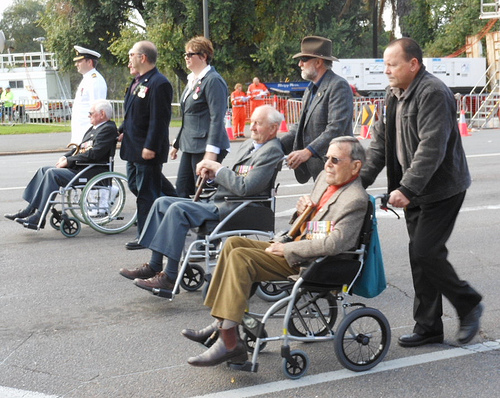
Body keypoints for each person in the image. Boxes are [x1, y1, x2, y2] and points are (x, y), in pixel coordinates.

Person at [182, 136, 368, 367]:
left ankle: (229, 340)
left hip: (312, 261)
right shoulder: (324, 179)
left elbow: (334, 244)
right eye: (327, 158)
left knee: (241, 258)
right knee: (233, 244)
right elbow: (311, 221)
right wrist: (302, 211)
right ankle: (222, 323)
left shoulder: (355, 199)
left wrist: (288, 247)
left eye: (335, 160)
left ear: (355, 166)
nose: (327, 164)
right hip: (298, 243)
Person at [360, 38, 483, 347]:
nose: (386, 70)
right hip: (414, 190)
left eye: (392, 64)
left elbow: (432, 148)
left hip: (442, 188)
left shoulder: (433, 93)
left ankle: (469, 304)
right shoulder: (393, 94)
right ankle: (428, 326)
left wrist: (407, 187)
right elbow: (379, 144)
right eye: (384, 64)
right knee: (420, 257)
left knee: (426, 251)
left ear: (413, 64)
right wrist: (357, 182)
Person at [119, 105, 285, 294]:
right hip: (223, 200)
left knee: (177, 210)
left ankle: (170, 277)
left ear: (273, 128)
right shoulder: (250, 145)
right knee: (161, 202)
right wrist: (213, 175)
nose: (252, 127)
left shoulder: (271, 151)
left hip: (238, 208)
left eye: (258, 124)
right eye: (252, 122)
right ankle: (155, 265)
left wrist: (218, 169)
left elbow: (245, 187)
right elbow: (234, 178)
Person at [4, 100, 118, 229]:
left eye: (91, 113)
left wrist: (69, 161)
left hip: (92, 171)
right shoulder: (95, 128)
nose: (88, 115)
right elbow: (80, 148)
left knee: (52, 174)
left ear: (102, 114)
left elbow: (95, 154)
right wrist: (66, 156)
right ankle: (29, 209)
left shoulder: (108, 129)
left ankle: (39, 216)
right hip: (81, 168)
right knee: (43, 170)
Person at [119, 40, 173, 250]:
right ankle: (179, 205)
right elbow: (132, 113)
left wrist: (150, 146)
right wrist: (121, 130)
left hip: (147, 149)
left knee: (146, 194)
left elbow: (159, 120)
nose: (129, 59)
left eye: (131, 54)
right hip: (133, 148)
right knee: (138, 185)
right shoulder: (138, 81)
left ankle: (146, 236)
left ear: (143, 57)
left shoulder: (159, 83)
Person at [280, 36, 354, 184]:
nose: (300, 64)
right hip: (321, 171)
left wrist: (308, 151)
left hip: (337, 168)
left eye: (304, 59)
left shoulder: (338, 86)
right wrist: (275, 146)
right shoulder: (310, 88)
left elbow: (335, 129)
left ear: (319, 62)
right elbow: (299, 128)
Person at [171, 36, 230, 198]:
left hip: (204, 145)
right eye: (185, 54)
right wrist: (177, 142)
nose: (186, 58)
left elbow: (217, 118)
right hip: (190, 145)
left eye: (190, 54)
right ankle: (185, 222)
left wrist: (211, 152)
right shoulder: (193, 81)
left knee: (203, 194)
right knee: (182, 190)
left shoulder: (213, 80)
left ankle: (206, 222)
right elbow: (188, 115)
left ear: (203, 56)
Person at [70, 46, 107, 144]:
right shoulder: (87, 79)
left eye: (79, 61)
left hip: (88, 134)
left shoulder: (95, 80)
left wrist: (93, 135)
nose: (76, 64)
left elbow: (97, 110)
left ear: (89, 62)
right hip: (81, 134)